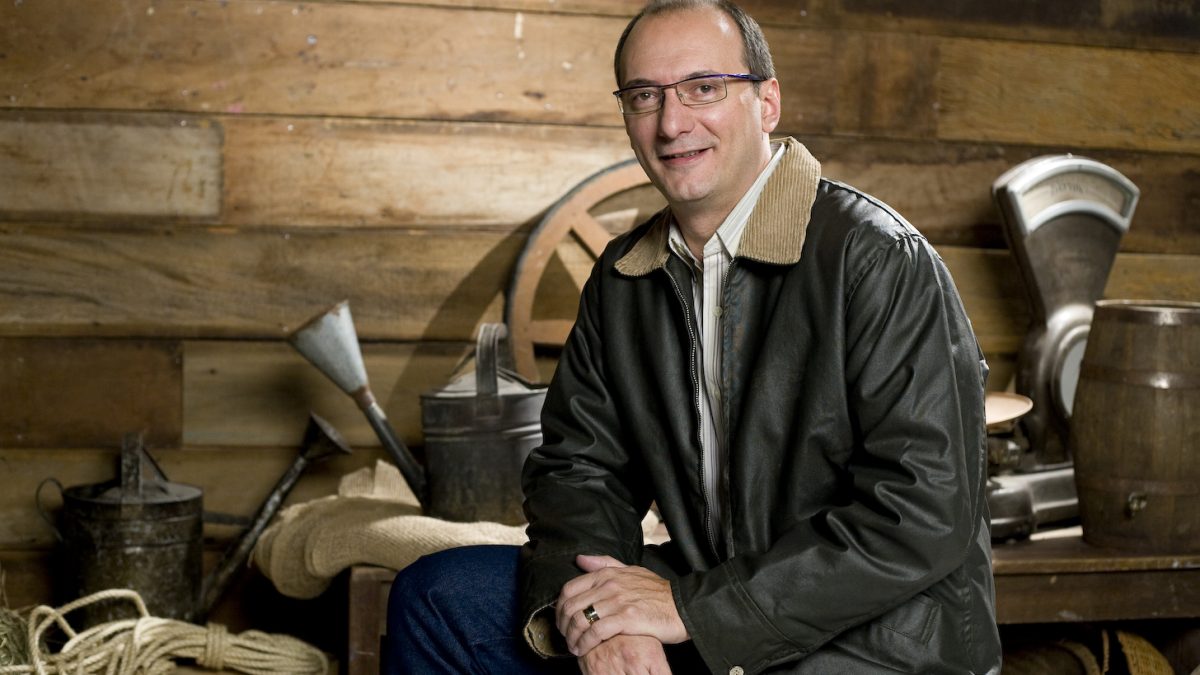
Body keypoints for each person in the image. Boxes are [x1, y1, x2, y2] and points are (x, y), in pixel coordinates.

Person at [384, 0, 1002, 672]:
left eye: (704, 88)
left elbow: (921, 513)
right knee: (438, 597)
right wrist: (604, 619)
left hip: (875, 634)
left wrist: (691, 611)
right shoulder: (623, 277)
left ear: (767, 103)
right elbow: (580, 472)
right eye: (644, 96)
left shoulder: (877, 257)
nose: (672, 123)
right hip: (710, 585)